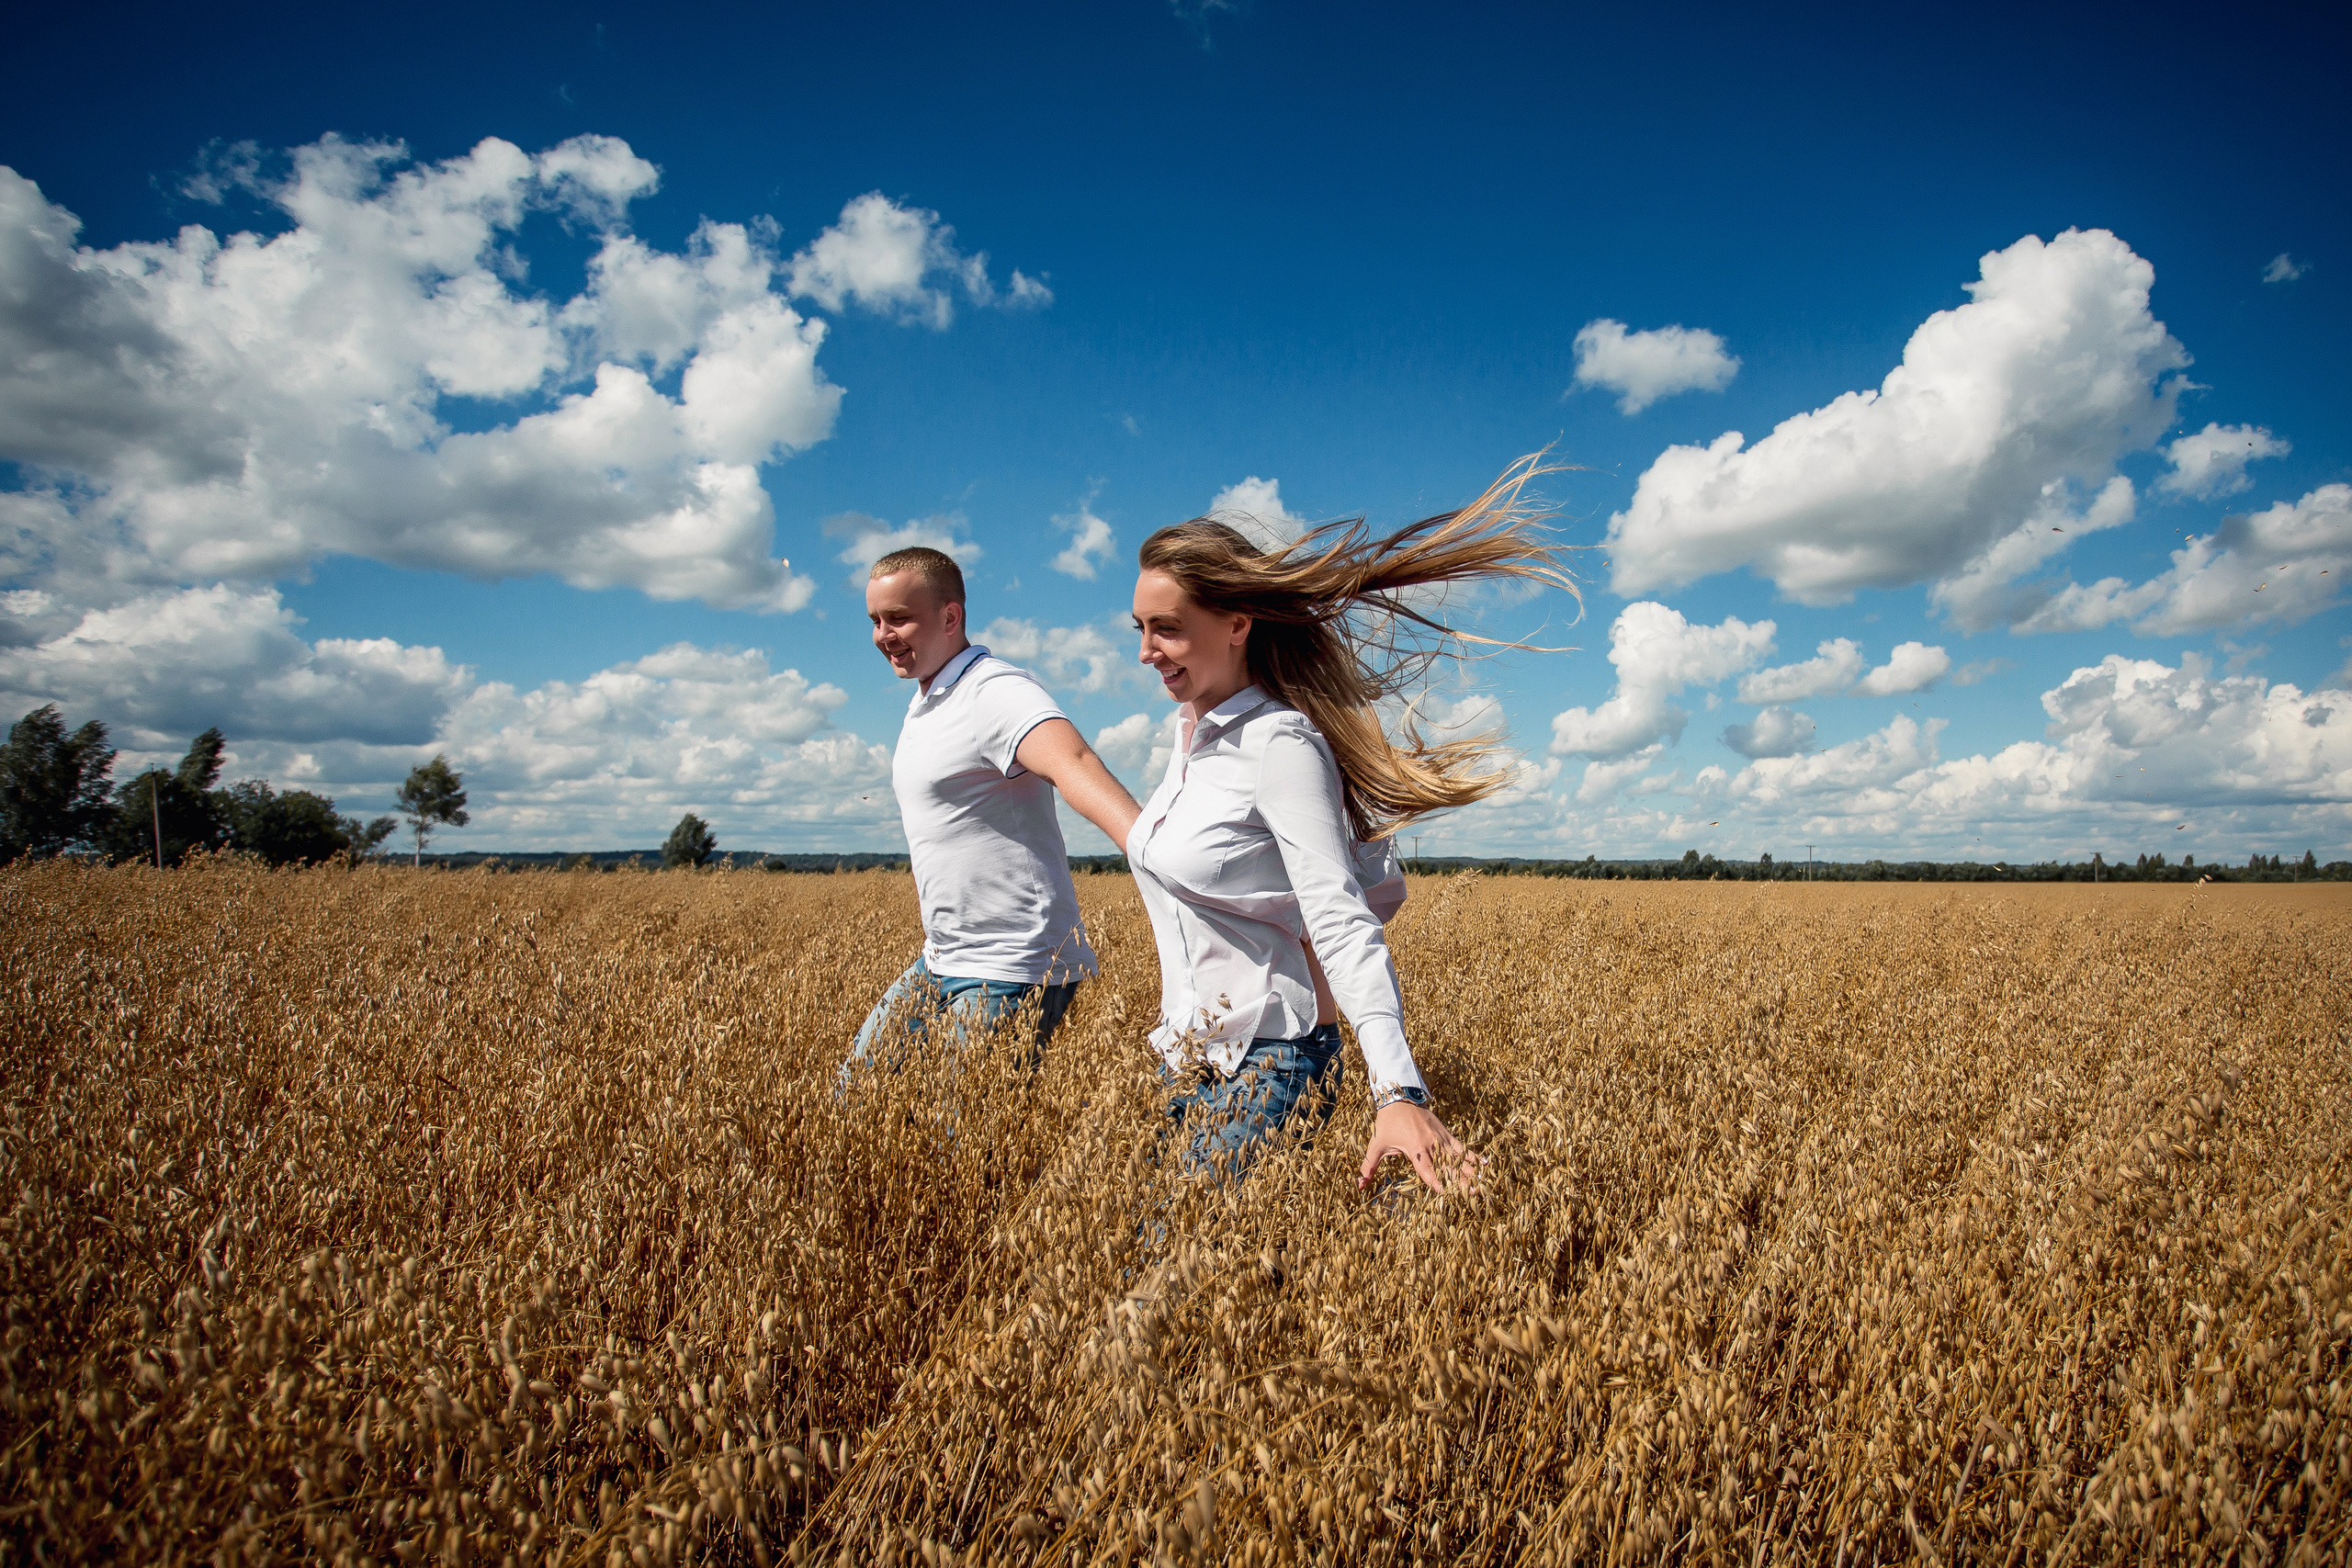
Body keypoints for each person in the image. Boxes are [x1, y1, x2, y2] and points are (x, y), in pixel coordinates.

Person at [1123, 456, 1572, 1193]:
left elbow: (1339, 918)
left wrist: (1398, 1091)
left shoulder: (1280, 745)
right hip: (1186, 1059)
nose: (1146, 651)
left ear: (1238, 622)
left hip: (1268, 1066)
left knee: (1165, 1274)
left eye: (1166, 629)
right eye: (1140, 628)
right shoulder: (1189, 736)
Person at [847, 547, 1141, 1074]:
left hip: (1013, 965)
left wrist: (1151, 847)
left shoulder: (995, 691)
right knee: (858, 1092)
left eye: (899, 618)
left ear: (950, 616)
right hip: (941, 959)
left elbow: (1073, 761)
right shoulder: (929, 700)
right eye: (875, 620)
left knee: (956, 1137)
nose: (883, 635)